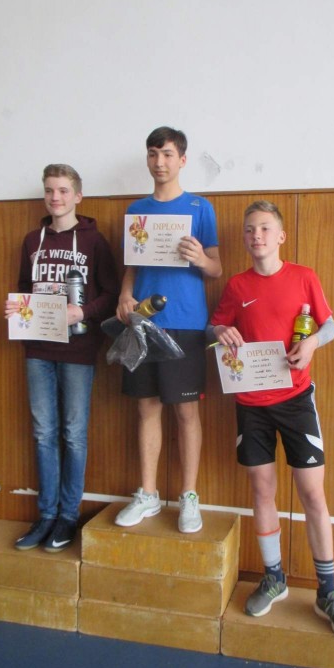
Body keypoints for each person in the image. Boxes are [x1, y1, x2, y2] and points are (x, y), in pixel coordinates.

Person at [210, 200, 334, 640]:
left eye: (264, 228)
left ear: (280, 236)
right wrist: (220, 332)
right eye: (249, 229)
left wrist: (312, 343)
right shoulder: (237, 285)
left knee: (312, 492)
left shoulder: (304, 276)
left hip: (296, 400)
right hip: (251, 403)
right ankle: (274, 577)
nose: (256, 236)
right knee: (262, 489)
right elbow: (213, 328)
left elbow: (329, 326)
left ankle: (328, 592)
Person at [5, 164, 119, 552]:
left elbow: (110, 294)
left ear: (78, 196)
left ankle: (68, 515)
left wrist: (81, 312)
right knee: (43, 433)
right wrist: (16, 309)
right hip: (37, 348)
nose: (56, 197)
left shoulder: (94, 241)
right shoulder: (31, 241)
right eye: (50, 191)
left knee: (73, 434)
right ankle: (46, 515)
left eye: (64, 191)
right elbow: (25, 288)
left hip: (78, 350)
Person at [114, 127, 222, 533]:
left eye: (167, 154)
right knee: (146, 407)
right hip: (144, 321)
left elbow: (216, 268)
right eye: (153, 153)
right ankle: (148, 494)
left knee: (186, 411)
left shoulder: (200, 207)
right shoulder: (136, 209)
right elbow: (132, 265)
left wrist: (200, 258)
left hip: (187, 323)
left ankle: (189, 496)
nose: (159, 162)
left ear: (182, 160)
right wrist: (125, 295)